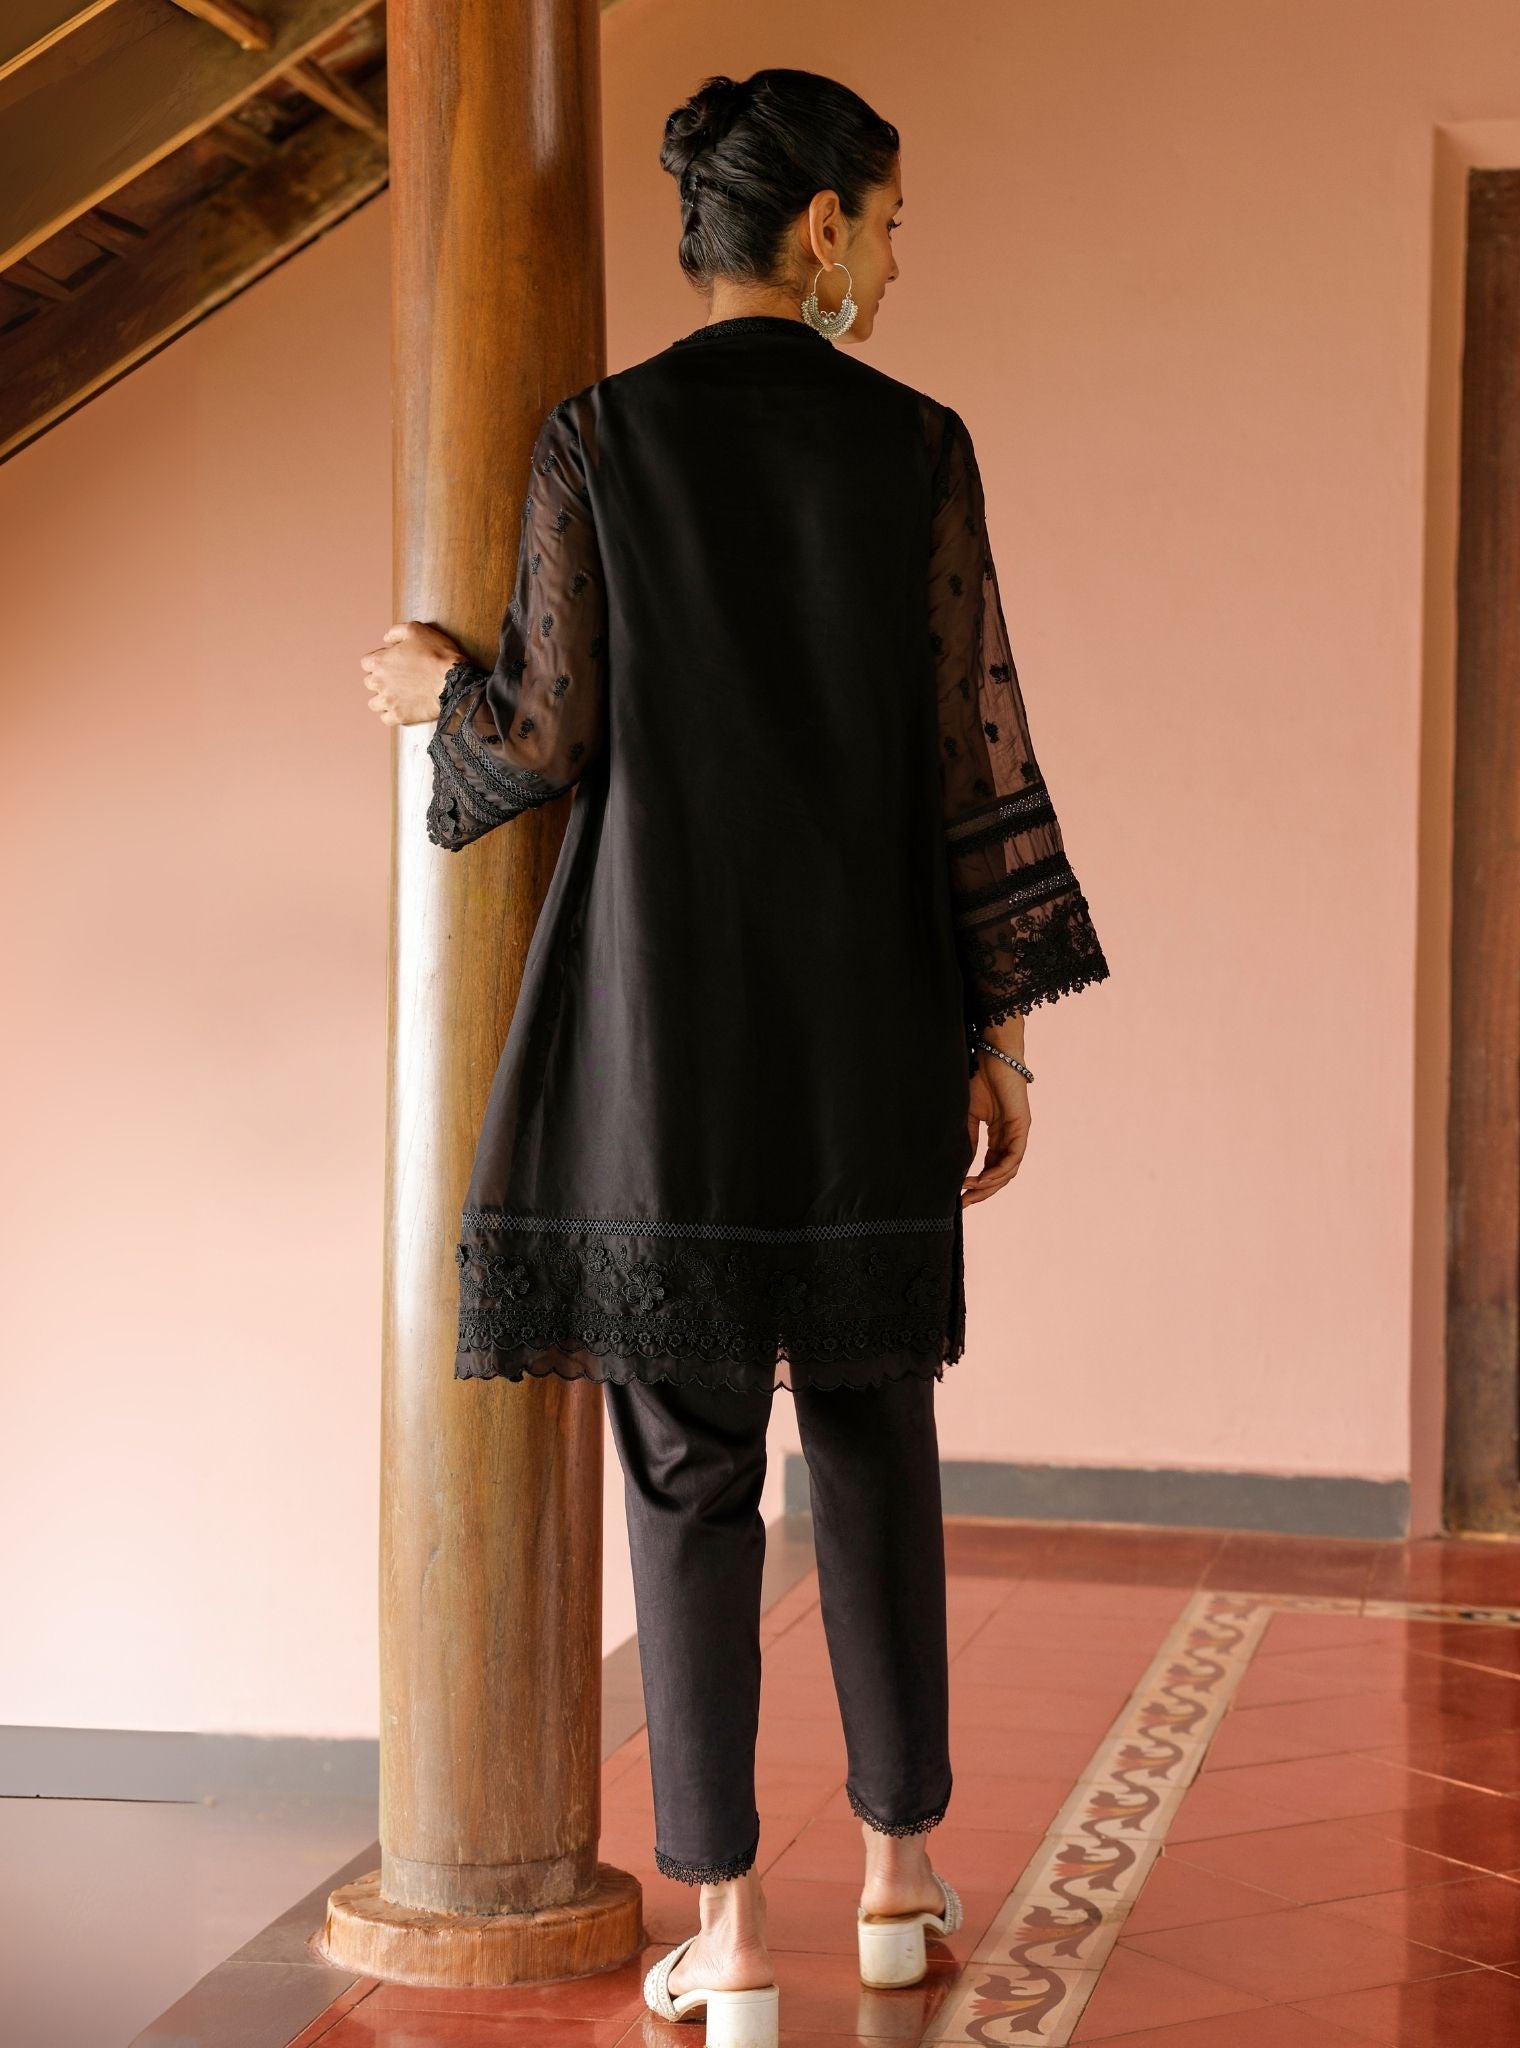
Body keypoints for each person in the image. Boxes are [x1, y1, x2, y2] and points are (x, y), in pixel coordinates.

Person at [359, 64, 1109, 2046]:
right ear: (826, 226)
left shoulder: (600, 439)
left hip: (664, 1038)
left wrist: (438, 698)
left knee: (686, 1469)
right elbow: (970, 757)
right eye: (891, 217)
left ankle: (732, 1930)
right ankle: (897, 1879)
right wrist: (995, 1033)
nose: (896, 253)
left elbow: (544, 736)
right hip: (866, 1030)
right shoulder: (919, 446)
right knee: (872, 1436)